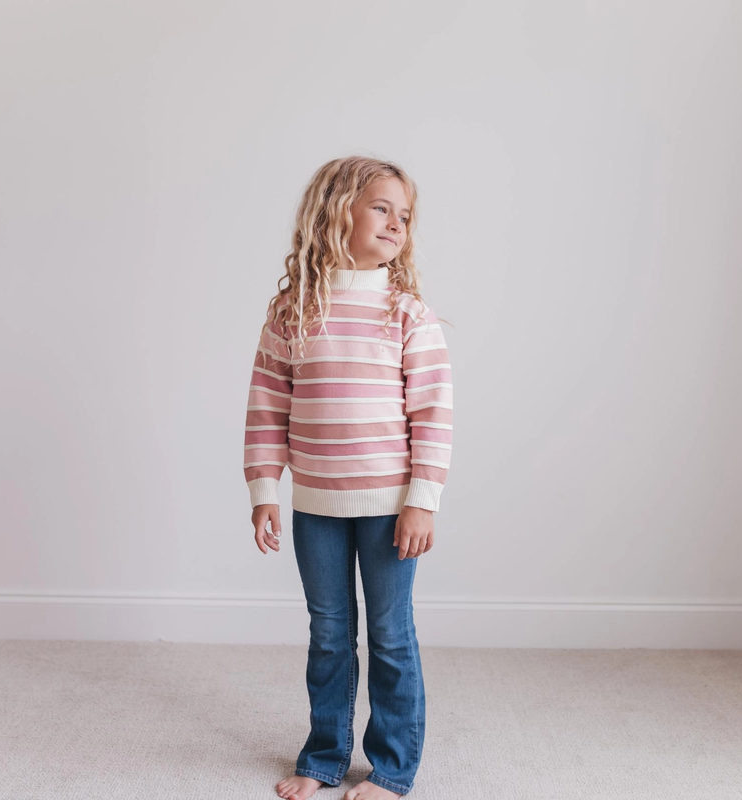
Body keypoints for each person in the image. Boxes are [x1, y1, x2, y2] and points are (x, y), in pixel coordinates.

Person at [243, 155, 453, 800]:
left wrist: (422, 502)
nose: (396, 223)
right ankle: (325, 757)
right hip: (316, 505)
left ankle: (392, 768)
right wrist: (264, 491)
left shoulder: (406, 313)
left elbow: (434, 412)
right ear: (337, 210)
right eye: (382, 207)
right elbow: (266, 403)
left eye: (405, 215)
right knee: (330, 633)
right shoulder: (292, 310)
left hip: (392, 505)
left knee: (391, 635)